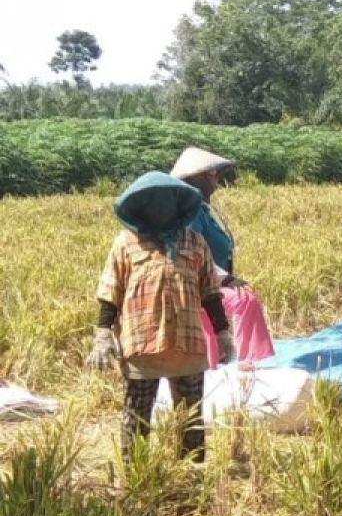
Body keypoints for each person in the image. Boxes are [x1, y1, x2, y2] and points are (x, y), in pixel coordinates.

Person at [87, 172, 234, 464]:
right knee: (136, 418)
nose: (160, 206)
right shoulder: (126, 243)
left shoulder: (194, 243)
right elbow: (110, 291)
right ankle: (136, 478)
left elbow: (211, 293)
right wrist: (102, 335)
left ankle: (190, 478)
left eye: (166, 199)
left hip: (187, 344)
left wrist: (223, 333)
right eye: (153, 201)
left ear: (177, 203)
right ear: (141, 205)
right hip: (141, 344)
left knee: (190, 418)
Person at [170, 147, 275, 366]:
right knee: (245, 298)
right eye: (211, 173)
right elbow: (191, 254)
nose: (216, 177)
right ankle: (250, 363)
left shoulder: (201, 208)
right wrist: (225, 279)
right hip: (194, 285)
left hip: (204, 283)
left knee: (218, 313)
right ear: (196, 177)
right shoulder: (191, 212)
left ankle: (219, 361)